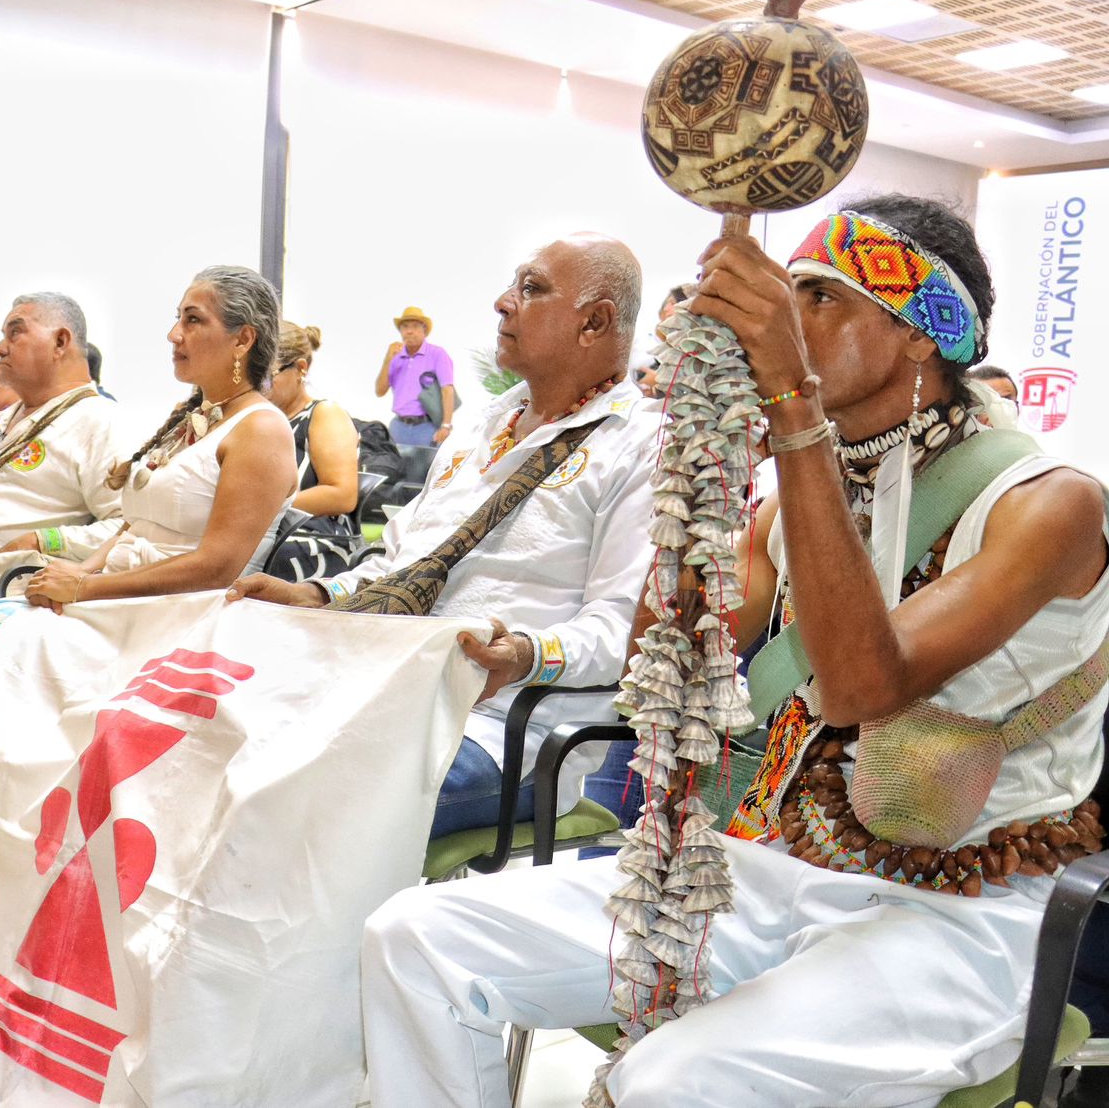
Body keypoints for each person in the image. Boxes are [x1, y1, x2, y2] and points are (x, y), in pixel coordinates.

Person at [360, 196, 1109, 1107]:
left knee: (668, 1080)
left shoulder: (1050, 504)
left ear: (924, 334)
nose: (787, 322)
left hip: (958, 918)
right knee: (416, 939)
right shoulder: (801, 492)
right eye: (782, 298)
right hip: (771, 867)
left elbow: (863, 687)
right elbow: (655, 650)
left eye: (820, 299)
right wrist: (701, 453)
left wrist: (794, 413)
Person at [231, 233, 659, 838]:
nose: (502, 302)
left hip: (503, 734)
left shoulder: (642, 444)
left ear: (594, 322)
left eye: (530, 289)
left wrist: (527, 654)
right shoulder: (475, 430)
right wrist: (320, 596)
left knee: (291, 790)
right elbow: (398, 568)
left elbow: (623, 631)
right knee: (213, 738)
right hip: (382, 692)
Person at [18, 266, 296, 610]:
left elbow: (217, 569)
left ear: (242, 340)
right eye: (178, 318)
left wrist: (87, 587)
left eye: (193, 320)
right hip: (121, 602)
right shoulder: (193, 419)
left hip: (181, 619)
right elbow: (138, 525)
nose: (174, 335)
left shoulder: (261, 430)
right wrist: (82, 570)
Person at [0, 292, 127, 602]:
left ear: (60, 342)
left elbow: (129, 526)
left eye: (15, 332)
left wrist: (41, 540)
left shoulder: (100, 421)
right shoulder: (13, 415)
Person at [263, 320, 364, 581]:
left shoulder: (324, 413)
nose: (260, 386)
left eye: (268, 375)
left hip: (314, 538)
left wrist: (259, 510)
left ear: (301, 368)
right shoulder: (261, 418)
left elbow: (341, 494)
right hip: (271, 531)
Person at [377, 306, 456, 446]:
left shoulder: (437, 354)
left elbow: (447, 389)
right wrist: (387, 360)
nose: (409, 331)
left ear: (424, 330)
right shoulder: (395, 357)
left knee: (424, 467)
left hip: (427, 427)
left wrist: (446, 425)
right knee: (394, 467)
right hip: (398, 426)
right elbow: (380, 391)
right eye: (405, 326)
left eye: (415, 326)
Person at [632, 282, 694, 398]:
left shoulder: (689, 356)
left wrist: (660, 385)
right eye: (669, 303)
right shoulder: (637, 337)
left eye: (674, 304)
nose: (668, 309)